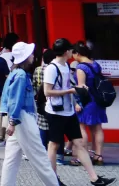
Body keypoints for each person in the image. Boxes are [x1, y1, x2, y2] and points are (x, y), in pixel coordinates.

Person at [44, 38, 114, 186]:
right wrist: (70, 90)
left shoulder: (66, 66)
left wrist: (78, 92)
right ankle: (52, 180)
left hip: (68, 111)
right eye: (70, 49)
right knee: (54, 145)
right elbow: (47, 92)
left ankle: (94, 178)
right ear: (65, 52)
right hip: (56, 112)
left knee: (79, 144)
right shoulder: (52, 68)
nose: (72, 52)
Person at [0, 42, 60, 186]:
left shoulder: (15, 72)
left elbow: (12, 99)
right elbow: (16, 99)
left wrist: (12, 121)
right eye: (30, 53)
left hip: (16, 117)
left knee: (11, 158)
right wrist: (14, 121)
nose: (33, 55)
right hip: (22, 117)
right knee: (39, 156)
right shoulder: (20, 75)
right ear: (26, 57)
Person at [73, 43, 107, 166]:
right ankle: (98, 156)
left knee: (81, 127)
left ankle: (83, 156)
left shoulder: (81, 68)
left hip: (87, 100)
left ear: (77, 53)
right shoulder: (95, 64)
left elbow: (82, 87)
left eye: (73, 53)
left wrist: (79, 102)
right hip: (98, 100)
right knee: (97, 128)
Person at [34, 49, 57, 161]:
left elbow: (34, 85)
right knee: (55, 126)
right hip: (55, 100)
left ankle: (42, 152)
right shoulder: (56, 69)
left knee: (42, 126)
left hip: (41, 101)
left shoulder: (38, 70)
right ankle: (58, 155)